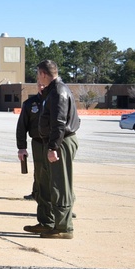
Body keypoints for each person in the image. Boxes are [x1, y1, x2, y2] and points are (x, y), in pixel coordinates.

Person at [35, 59, 80, 239]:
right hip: (56, 141)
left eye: (38, 74)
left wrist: (53, 147)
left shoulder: (58, 92)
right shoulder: (52, 91)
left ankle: (63, 227)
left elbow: (59, 122)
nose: (37, 78)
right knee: (50, 182)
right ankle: (51, 222)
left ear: (44, 74)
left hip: (60, 143)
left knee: (61, 185)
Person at [17, 83, 49, 232]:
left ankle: (63, 211)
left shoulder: (57, 100)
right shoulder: (30, 104)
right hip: (38, 143)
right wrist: (21, 147)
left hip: (55, 144)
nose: (42, 87)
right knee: (41, 179)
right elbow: (22, 126)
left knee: (59, 181)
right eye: (39, 85)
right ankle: (45, 219)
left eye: (45, 85)